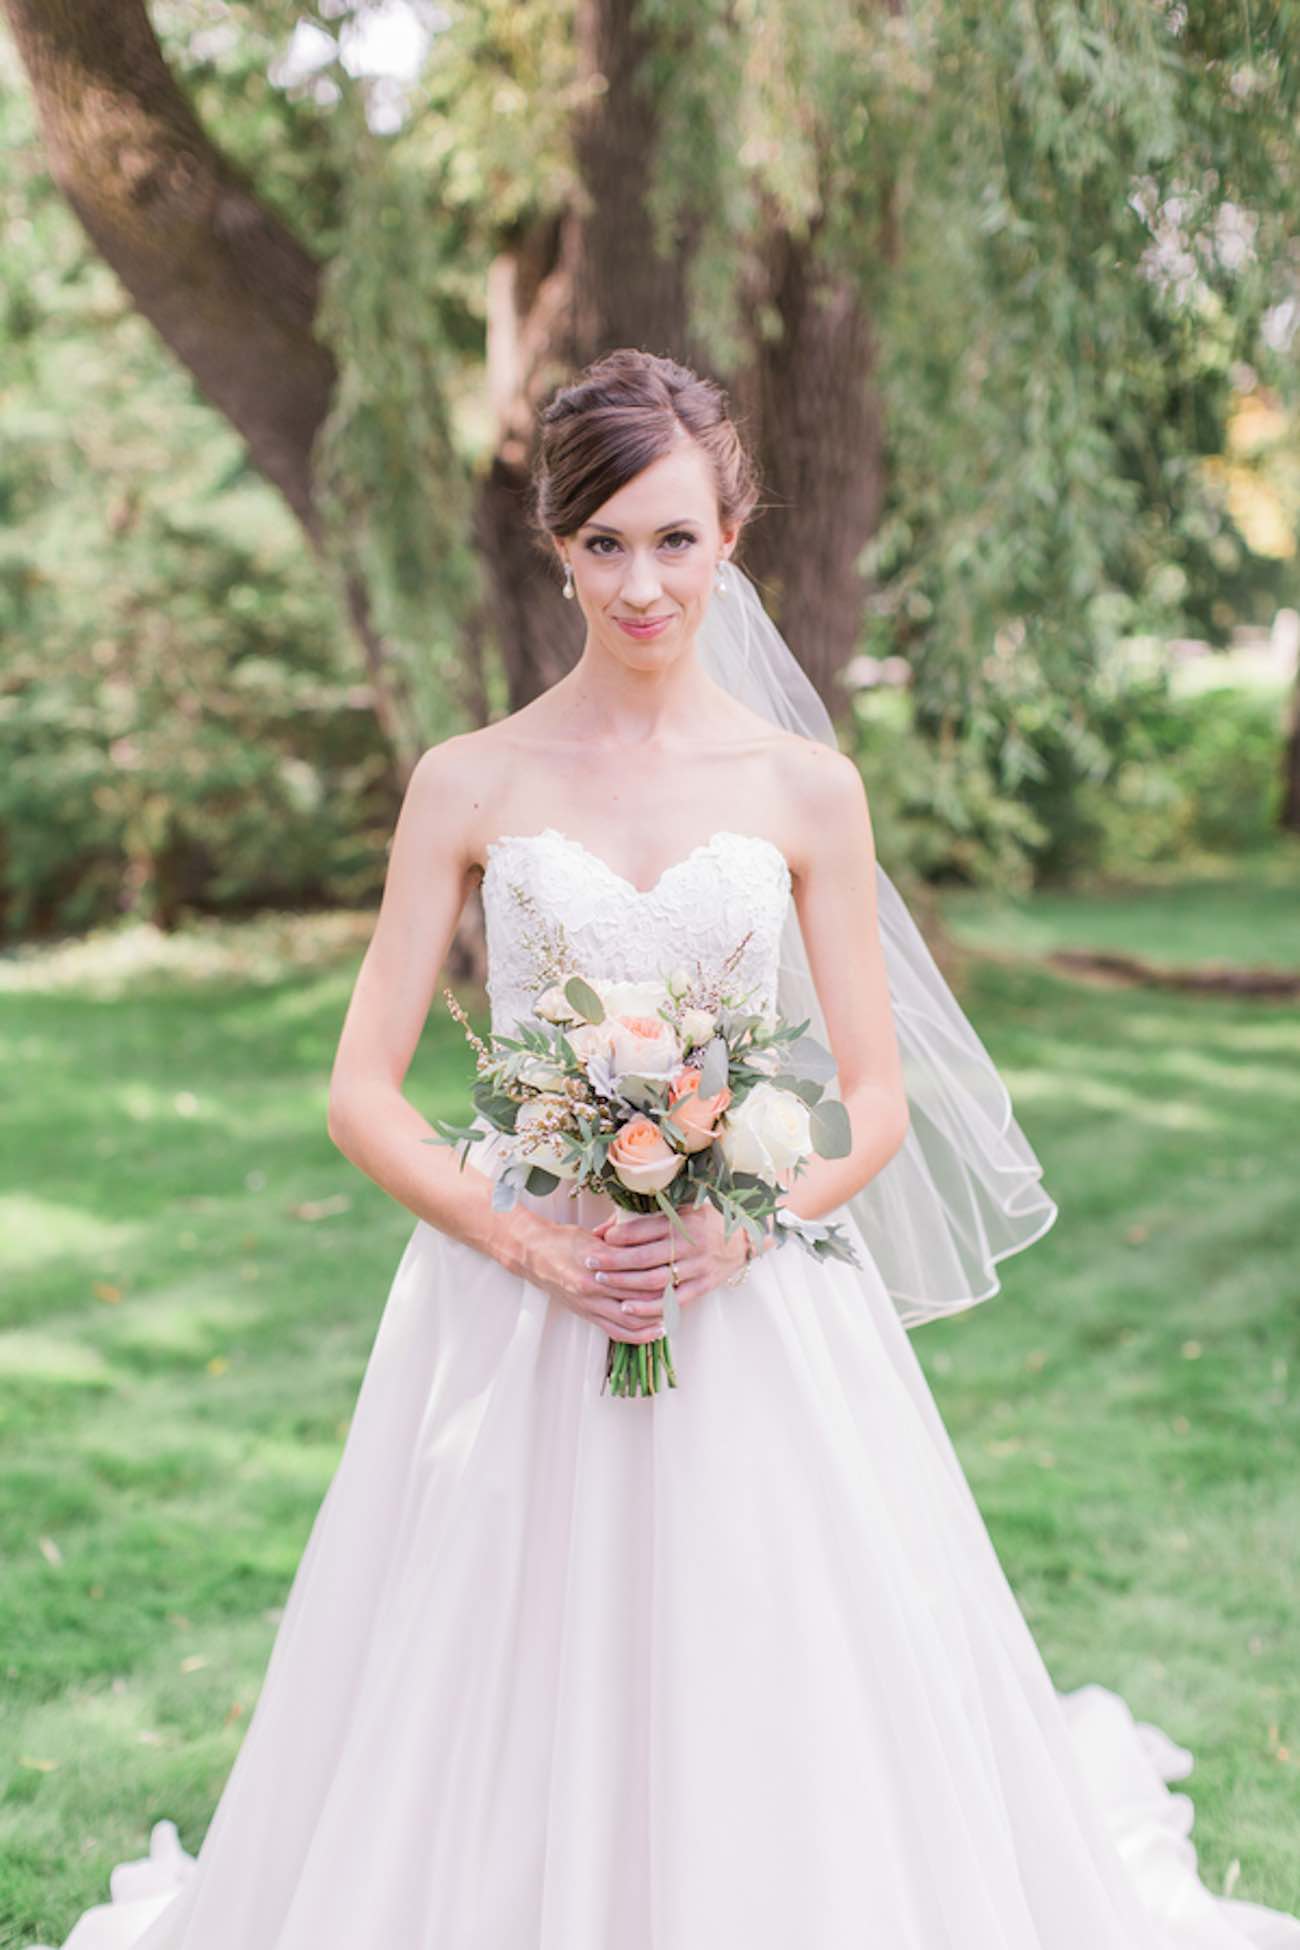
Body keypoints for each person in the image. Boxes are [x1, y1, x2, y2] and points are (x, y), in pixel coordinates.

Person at [36, 348, 1297, 1949]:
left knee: (769, 1668)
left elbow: (876, 1096)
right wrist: (528, 1238)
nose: (644, 581)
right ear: (556, 544)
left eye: (677, 538)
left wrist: (742, 1223)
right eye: (608, 540)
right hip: (517, 1308)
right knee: (487, 1671)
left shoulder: (804, 791)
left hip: (747, 1302)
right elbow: (362, 1090)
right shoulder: (467, 782)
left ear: (734, 532)